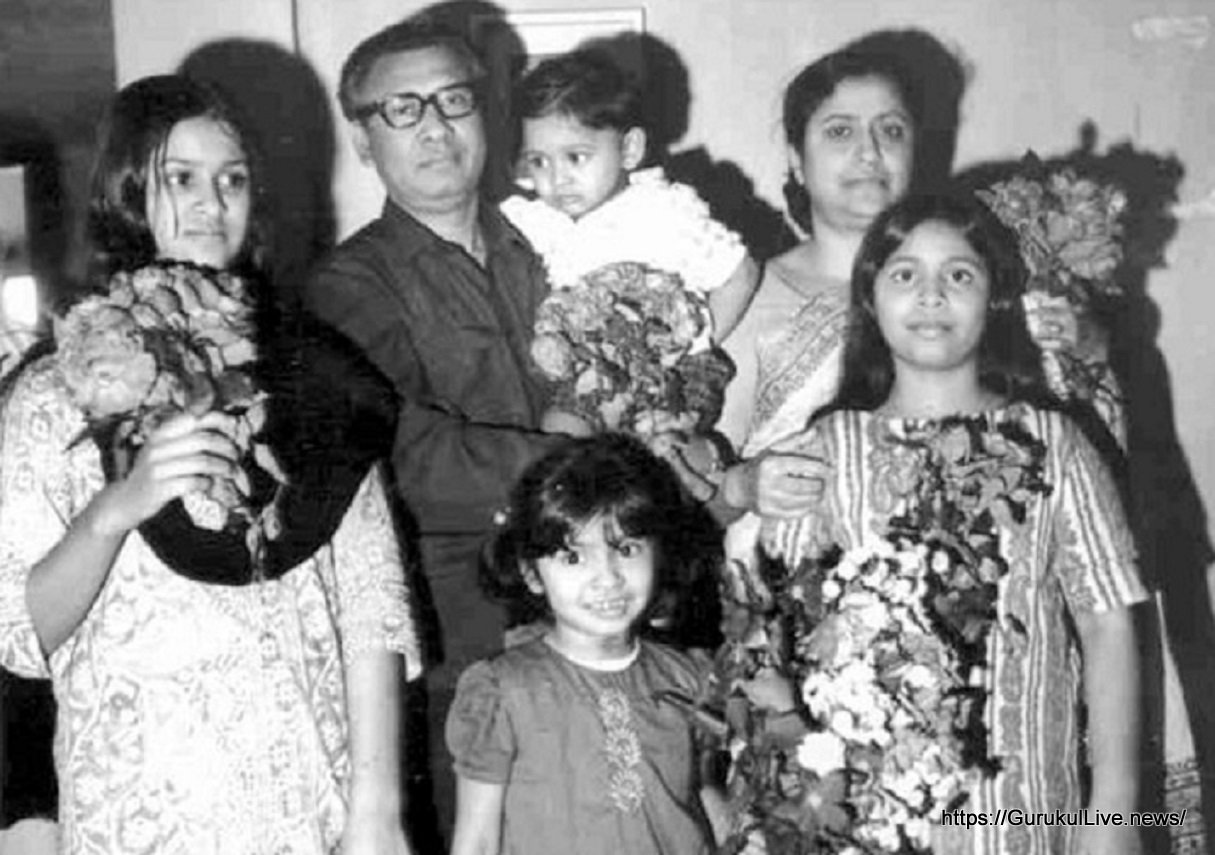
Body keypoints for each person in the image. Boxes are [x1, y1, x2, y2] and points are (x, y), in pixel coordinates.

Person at [0, 75, 420, 854]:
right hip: (139, 805)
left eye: (232, 180)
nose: (212, 203)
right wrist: (115, 510)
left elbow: (372, 601)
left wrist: (378, 810)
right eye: (181, 178)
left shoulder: (317, 376)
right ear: (127, 190)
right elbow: (18, 633)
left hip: (306, 799)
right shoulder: (55, 391)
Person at [755, 193, 1147, 855]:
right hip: (864, 819)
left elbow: (1107, 623)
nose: (931, 295)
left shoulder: (1054, 442)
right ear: (870, 298)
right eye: (904, 274)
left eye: (959, 275)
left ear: (995, 299)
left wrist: (1113, 811)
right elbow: (775, 628)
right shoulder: (823, 449)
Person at [301, 18, 563, 843]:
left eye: (453, 100)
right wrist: (589, 463)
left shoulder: (550, 244)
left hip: (602, 620)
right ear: (362, 138)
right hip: (467, 653)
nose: (435, 127)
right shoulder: (347, 287)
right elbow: (408, 463)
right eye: (402, 108)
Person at [445, 434, 741, 855]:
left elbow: (703, 796)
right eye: (573, 557)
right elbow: (476, 841)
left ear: (658, 554)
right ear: (531, 574)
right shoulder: (503, 691)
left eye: (627, 549)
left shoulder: (689, 677)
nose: (608, 577)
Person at [716, 42, 920, 484]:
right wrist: (745, 486)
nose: (870, 152)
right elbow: (698, 494)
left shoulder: (962, 291)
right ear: (797, 160)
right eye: (840, 132)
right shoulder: (744, 299)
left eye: (891, 130)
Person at [501, 48, 758, 364]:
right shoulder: (533, 221)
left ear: (629, 149)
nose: (557, 179)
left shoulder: (662, 213)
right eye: (539, 161)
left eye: (576, 157)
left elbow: (741, 273)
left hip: (653, 378)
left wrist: (695, 354)